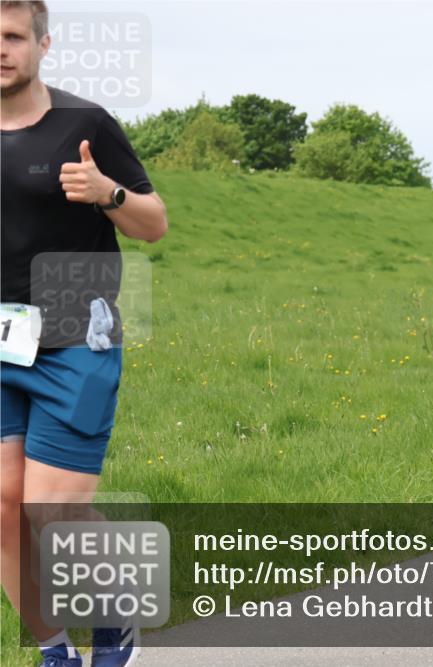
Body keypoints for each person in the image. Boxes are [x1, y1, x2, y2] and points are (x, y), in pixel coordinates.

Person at [1, 2, 167, 665]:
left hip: (75, 343)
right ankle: (54, 650)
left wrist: (107, 191)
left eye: (13, 37)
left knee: (50, 516)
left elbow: (154, 224)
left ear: (43, 44)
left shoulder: (85, 125)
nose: (1, 49)